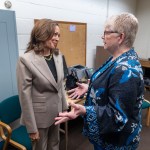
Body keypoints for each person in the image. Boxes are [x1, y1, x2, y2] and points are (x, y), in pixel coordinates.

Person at [55, 13, 144, 150]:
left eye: (106, 32)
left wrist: (85, 110)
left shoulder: (125, 69)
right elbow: (111, 83)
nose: (103, 36)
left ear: (120, 37)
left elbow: (117, 117)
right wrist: (90, 87)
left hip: (116, 143)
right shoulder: (117, 58)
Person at [16, 19, 68, 150]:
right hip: (39, 118)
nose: (57, 38)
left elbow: (60, 85)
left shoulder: (58, 56)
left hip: (56, 113)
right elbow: (25, 96)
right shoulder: (26, 60)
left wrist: (64, 110)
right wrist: (32, 128)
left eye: (58, 35)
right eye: (54, 34)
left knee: (55, 145)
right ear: (42, 34)